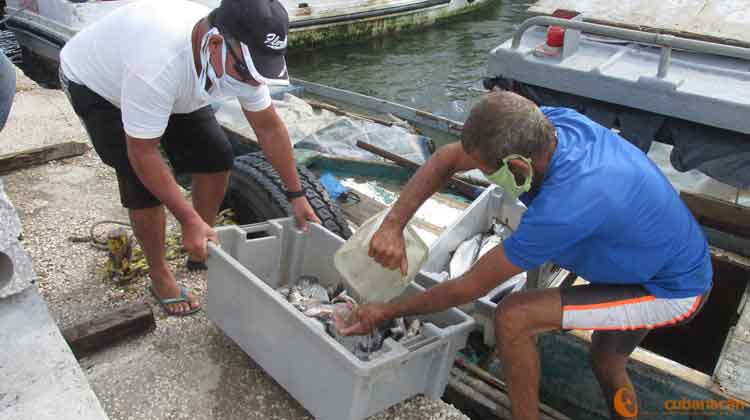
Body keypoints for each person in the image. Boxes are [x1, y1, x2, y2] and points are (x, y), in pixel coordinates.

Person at [339, 91, 713, 420]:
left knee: (514, 316)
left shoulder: (569, 202)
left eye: (489, 173)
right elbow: (448, 160)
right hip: (653, 258)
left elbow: (468, 287)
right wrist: (393, 225)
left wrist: (387, 310)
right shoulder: (547, 125)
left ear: (518, 166)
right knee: (606, 361)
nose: (487, 178)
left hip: (672, 289)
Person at [59, 0, 320, 316]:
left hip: (177, 82)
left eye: (260, 72)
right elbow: (143, 152)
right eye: (247, 72)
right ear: (215, 43)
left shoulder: (238, 57)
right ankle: (160, 275)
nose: (253, 82)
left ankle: (201, 240)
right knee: (141, 186)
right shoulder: (158, 63)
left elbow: (268, 127)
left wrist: (297, 194)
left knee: (216, 156)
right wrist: (186, 217)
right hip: (99, 85)